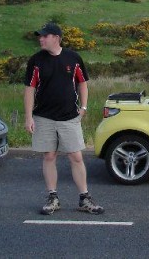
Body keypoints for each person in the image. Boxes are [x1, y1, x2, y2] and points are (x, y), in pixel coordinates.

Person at [24, 22, 104, 215]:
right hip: (43, 116)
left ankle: (85, 198)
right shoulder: (36, 60)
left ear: (56, 38)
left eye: (44, 36)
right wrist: (28, 117)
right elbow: (29, 89)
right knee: (49, 155)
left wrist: (83, 108)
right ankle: (53, 198)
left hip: (69, 117)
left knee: (76, 156)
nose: (40, 39)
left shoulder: (73, 58)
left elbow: (83, 83)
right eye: (40, 36)